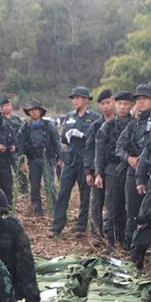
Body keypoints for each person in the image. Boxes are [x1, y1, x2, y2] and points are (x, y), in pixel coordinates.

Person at [117, 83, 151, 254]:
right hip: (135, 173)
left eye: (145, 99)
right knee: (133, 212)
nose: (141, 102)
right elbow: (119, 147)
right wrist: (129, 158)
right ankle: (132, 246)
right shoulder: (132, 125)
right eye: (138, 99)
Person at [51, 86, 99, 238]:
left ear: (85, 99)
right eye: (73, 98)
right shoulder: (69, 116)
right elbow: (64, 137)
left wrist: (83, 135)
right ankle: (57, 226)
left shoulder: (95, 118)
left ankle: (81, 227)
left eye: (77, 98)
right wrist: (67, 136)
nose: (74, 101)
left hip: (85, 160)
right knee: (63, 192)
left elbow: (96, 139)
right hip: (70, 159)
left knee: (85, 194)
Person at [94, 91, 134, 249]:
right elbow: (99, 151)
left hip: (131, 168)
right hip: (112, 169)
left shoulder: (135, 124)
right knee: (112, 206)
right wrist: (98, 173)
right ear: (115, 105)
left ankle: (126, 240)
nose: (123, 107)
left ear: (131, 106)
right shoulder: (107, 126)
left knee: (129, 206)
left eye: (126, 104)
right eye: (120, 104)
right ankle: (112, 240)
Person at [15, 100, 60, 217]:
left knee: (49, 186)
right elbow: (20, 145)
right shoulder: (25, 127)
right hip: (33, 160)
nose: (34, 112)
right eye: (31, 110)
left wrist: (60, 158)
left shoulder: (48, 126)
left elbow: (56, 142)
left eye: (36, 110)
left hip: (48, 159)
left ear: (40, 111)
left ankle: (55, 210)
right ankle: (37, 210)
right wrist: (21, 162)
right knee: (34, 187)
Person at [85, 89, 115, 241]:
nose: (106, 106)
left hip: (115, 169)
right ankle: (96, 234)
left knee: (113, 203)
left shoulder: (120, 123)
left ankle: (112, 233)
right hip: (97, 169)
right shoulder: (96, 125)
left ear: (113, 102)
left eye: (108, 103)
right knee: (97, 202)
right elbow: (89, 148)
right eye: (102, 104)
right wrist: (88, 172)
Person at [0, 100, 17, 205]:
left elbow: (15, 141)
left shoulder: (7, 126)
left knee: (7, 188)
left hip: (5, 162)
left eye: (1, 109)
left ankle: (8, 210)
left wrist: (14, 147)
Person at [2, 99, 27, 194]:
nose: (6, 107)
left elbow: (23, 135)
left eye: (8, 105)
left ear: (11, 106)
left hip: (16, 150)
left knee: (20, 171)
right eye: (4, 106)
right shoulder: (0, 120)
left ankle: (24, 190)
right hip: (4, 150)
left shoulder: (18, 119)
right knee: (4, 173)